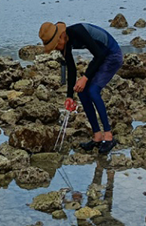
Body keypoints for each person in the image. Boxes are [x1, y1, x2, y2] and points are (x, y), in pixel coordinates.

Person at [39, 21, 123, 154]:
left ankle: (108, 136)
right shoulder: (64, 45)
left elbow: (100, 55)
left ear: (61, 36)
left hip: (112, 55)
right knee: (83, 92)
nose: (56, 49)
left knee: (93, 91)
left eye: (55, 45)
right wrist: (69, 97)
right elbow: (71, 69)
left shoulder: (78, 31)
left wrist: (85, 78)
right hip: (100, 57)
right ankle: (97, 136)